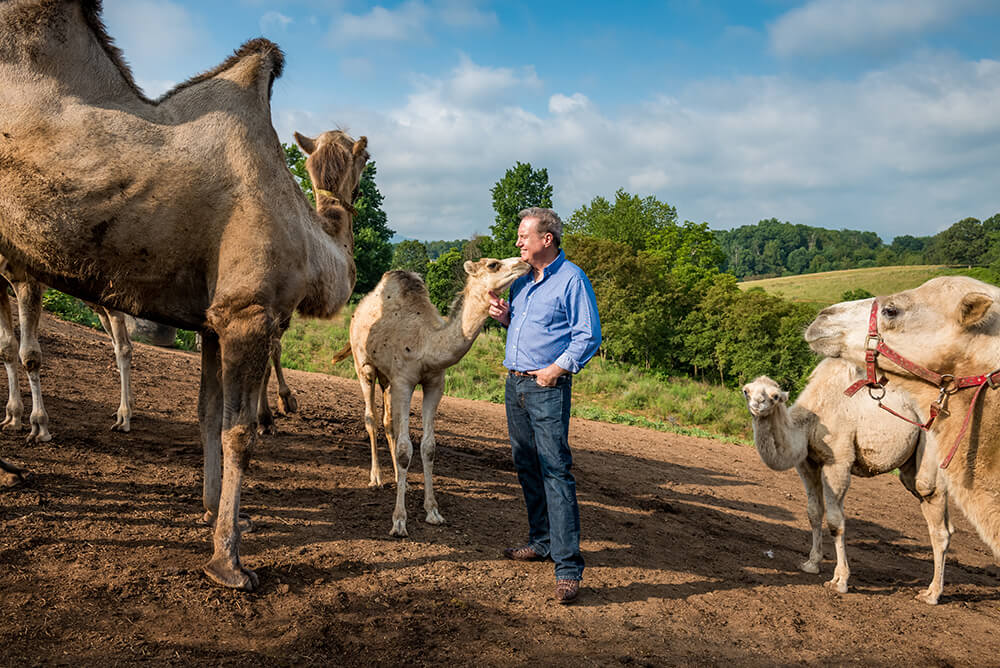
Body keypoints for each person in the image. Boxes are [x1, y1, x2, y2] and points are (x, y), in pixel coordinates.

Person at [488, 207, 601, 605]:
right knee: (527, 467)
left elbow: (588, 335)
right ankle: (541, 542)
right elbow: (528, 327)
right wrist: (506, 317)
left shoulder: (572, 279)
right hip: (515, 384)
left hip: (546, 387)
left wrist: (555, 370)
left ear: (546, 239)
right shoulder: (522, 280)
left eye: (524, 236)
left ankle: (567, 568)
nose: (518, 242)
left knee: (555, 472)